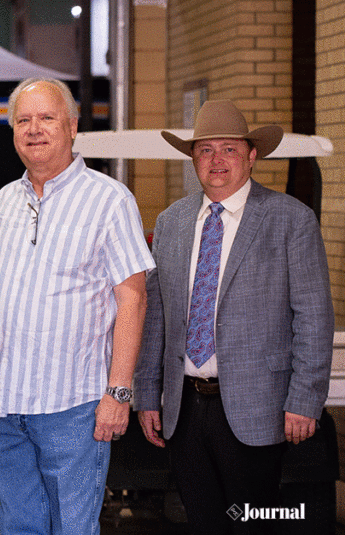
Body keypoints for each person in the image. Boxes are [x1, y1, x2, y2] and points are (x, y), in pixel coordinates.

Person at [0, 78, 154, 535]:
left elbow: (134, 298)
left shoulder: (109, 200)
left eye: (46, 118)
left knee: (72, 528)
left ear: (71, 126)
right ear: (11, 131)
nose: (34, 129)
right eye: (23, 120)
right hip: (6, 405)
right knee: (19, 528)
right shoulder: (1, 203)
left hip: (75, 406)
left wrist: (119, 393)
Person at [134, 99, 334, 534]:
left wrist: (304, 400)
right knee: (202, 521)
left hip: (258, 407)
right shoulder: (171, 222)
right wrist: (148, 393)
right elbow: (157, 319)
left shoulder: (290, 220)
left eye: (229, 148)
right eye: (205, 149)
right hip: (184, 408)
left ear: (252, 155)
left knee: (252, 523)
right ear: (193, 159)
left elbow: (314, 317)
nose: (217, 159)